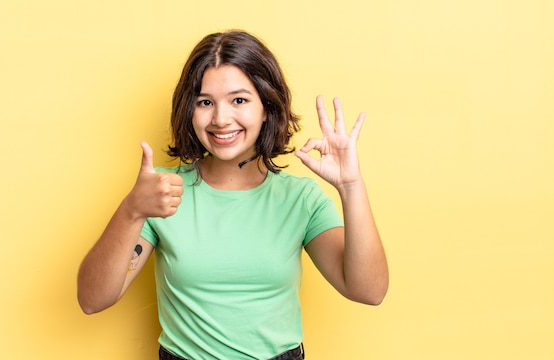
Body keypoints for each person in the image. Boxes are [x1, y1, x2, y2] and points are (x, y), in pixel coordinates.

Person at [77, 30, 388, 360]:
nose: (221, 119)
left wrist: (351, 186)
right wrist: (131, 212)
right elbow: (92, 299)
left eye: (239, 100)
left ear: (267, 108)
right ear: (189, 110)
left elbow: (368, 291)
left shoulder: (301, 198)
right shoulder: (161, 191)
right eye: (205, 102)